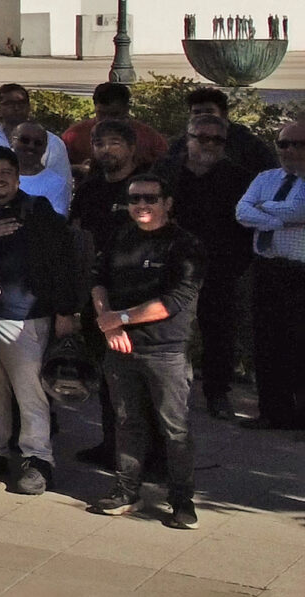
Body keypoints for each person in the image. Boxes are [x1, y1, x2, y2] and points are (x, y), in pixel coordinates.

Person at [88, 174, 204, 528]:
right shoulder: (120, 236)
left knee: (174, 428)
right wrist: (109, 323)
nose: (141, 205)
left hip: (165, 351)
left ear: (167, 203)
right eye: (134, 199)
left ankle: (182, 500)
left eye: (150, 198)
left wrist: (119, 318)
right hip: (120, 347)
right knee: (126, 421)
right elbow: (98, 280)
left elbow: (173, 302)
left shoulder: (185, 245)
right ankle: (127, 491)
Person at [0, 146, 82, 493]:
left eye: (5, 172)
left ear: (18, 178)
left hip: (25, 317)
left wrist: (65, 310)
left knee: (30, 392)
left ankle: (38, 458)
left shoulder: (38, 211)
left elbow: (63, 262)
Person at [163, 113, 251, 421]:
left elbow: (246, 226)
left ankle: (217, 393)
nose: (209, 144)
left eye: (217, 139)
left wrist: (236, 264)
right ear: (188, 139)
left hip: (219, 266)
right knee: (167, 332)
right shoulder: (166, 172)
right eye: (202, 137)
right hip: (171, 267)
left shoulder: (238, 177)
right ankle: (166, 393)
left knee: (219, 333)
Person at [235, 120, 305, 430]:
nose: (289, 150)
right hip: (267, 268)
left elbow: (300, 211)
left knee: (299, 343)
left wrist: (263, 210)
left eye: (298, 144)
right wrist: (278, 220)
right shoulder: (266, 178)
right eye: (283, 143)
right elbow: (242, 212)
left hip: (300, 271)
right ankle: (273, 412)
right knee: (266, 341)